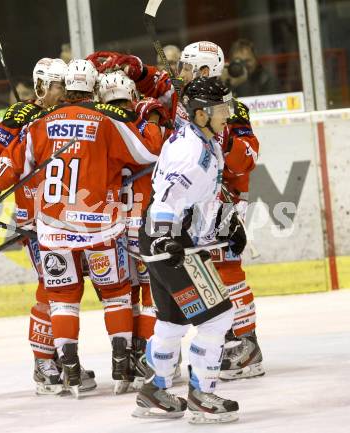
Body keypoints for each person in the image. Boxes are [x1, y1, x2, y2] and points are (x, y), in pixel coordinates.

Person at [0, 59, 160, 397]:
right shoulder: (106, 121)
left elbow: (10, 166)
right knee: (116, 293)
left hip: (53, 230)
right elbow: (148, 153)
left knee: (60, 298)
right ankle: (121, 369)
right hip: (98, 228)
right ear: (92, 88)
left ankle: (69, 371)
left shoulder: (40, 124)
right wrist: (152, 119)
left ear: (65, 87)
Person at [97, 41, 264, 381]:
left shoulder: (231, 111)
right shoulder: (179, 96)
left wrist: (225, 137)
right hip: (189, 204)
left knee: (227, 269)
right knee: (191, 278)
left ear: (204, 71)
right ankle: (178, 359)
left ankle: (245, 343)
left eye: (187, 67)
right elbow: (151, 82)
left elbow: (247, 159)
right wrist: (134, 69)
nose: (180, 73)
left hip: (223, 201)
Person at [0, 57, 97, 395]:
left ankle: (61, 356)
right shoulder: (21, 115)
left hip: (71, 215)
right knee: (52, 286)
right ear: (42, 85)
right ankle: (44, 362)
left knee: (68, 288)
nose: (65, 91)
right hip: (38, 217)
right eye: (59, 86)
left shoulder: (70, 113)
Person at [133, 77, 243, 423]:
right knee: (218, 316)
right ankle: (202, 394)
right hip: (170, 244)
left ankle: (154, 391)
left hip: (165, 242)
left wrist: (227, 223)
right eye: (220, 109)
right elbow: (167, 198)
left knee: (172, 320)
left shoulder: (202, 140)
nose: (228, 114)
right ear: (199, 115)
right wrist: (168, 239)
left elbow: (201, 197)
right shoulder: (190, 150)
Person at [97, 70, 171, 388]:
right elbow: (155, 150)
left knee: (122, 296)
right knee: (150, 294)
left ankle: (124, 359)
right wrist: (153, 118)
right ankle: (144, 357)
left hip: (113, 224)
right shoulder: (142, 128)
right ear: (134, 98)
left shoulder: (98, 129)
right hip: (143, 223)